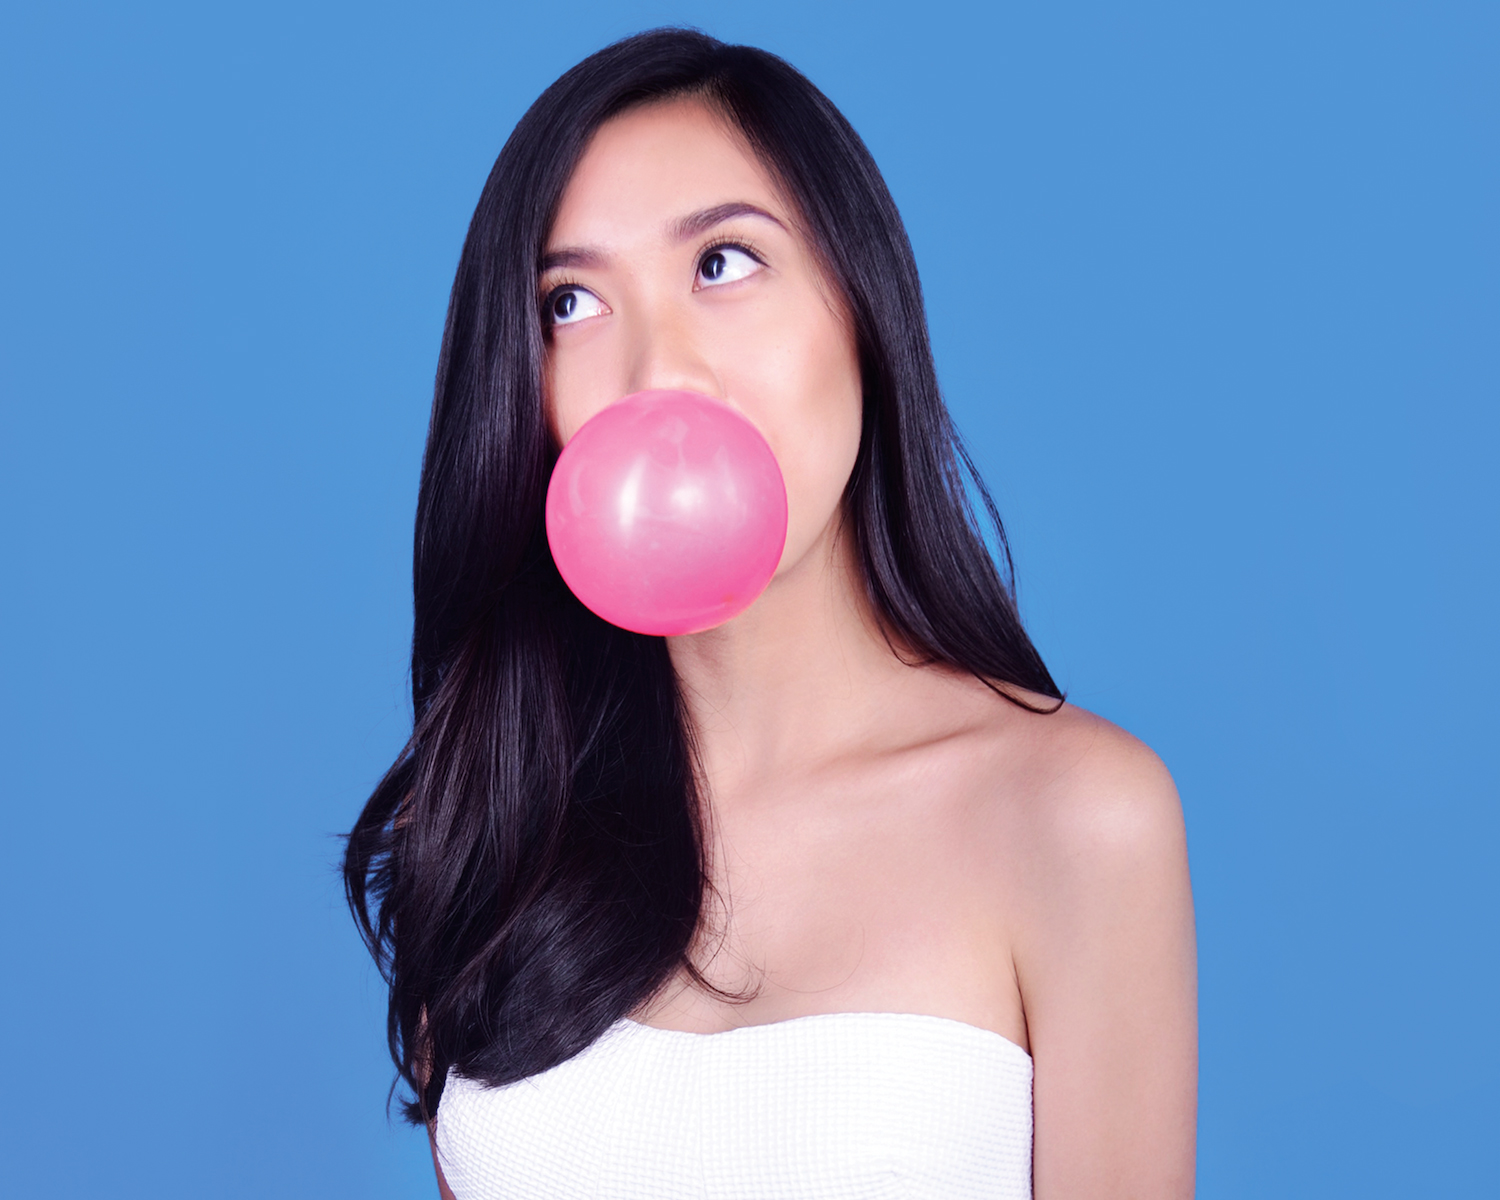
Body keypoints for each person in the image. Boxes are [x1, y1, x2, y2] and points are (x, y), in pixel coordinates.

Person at [344, 27, 1197, 1200]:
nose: (658, 372)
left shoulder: (1074, 813)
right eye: (573, 300)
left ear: (862, 305)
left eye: (722, 264)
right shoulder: (506, 818)